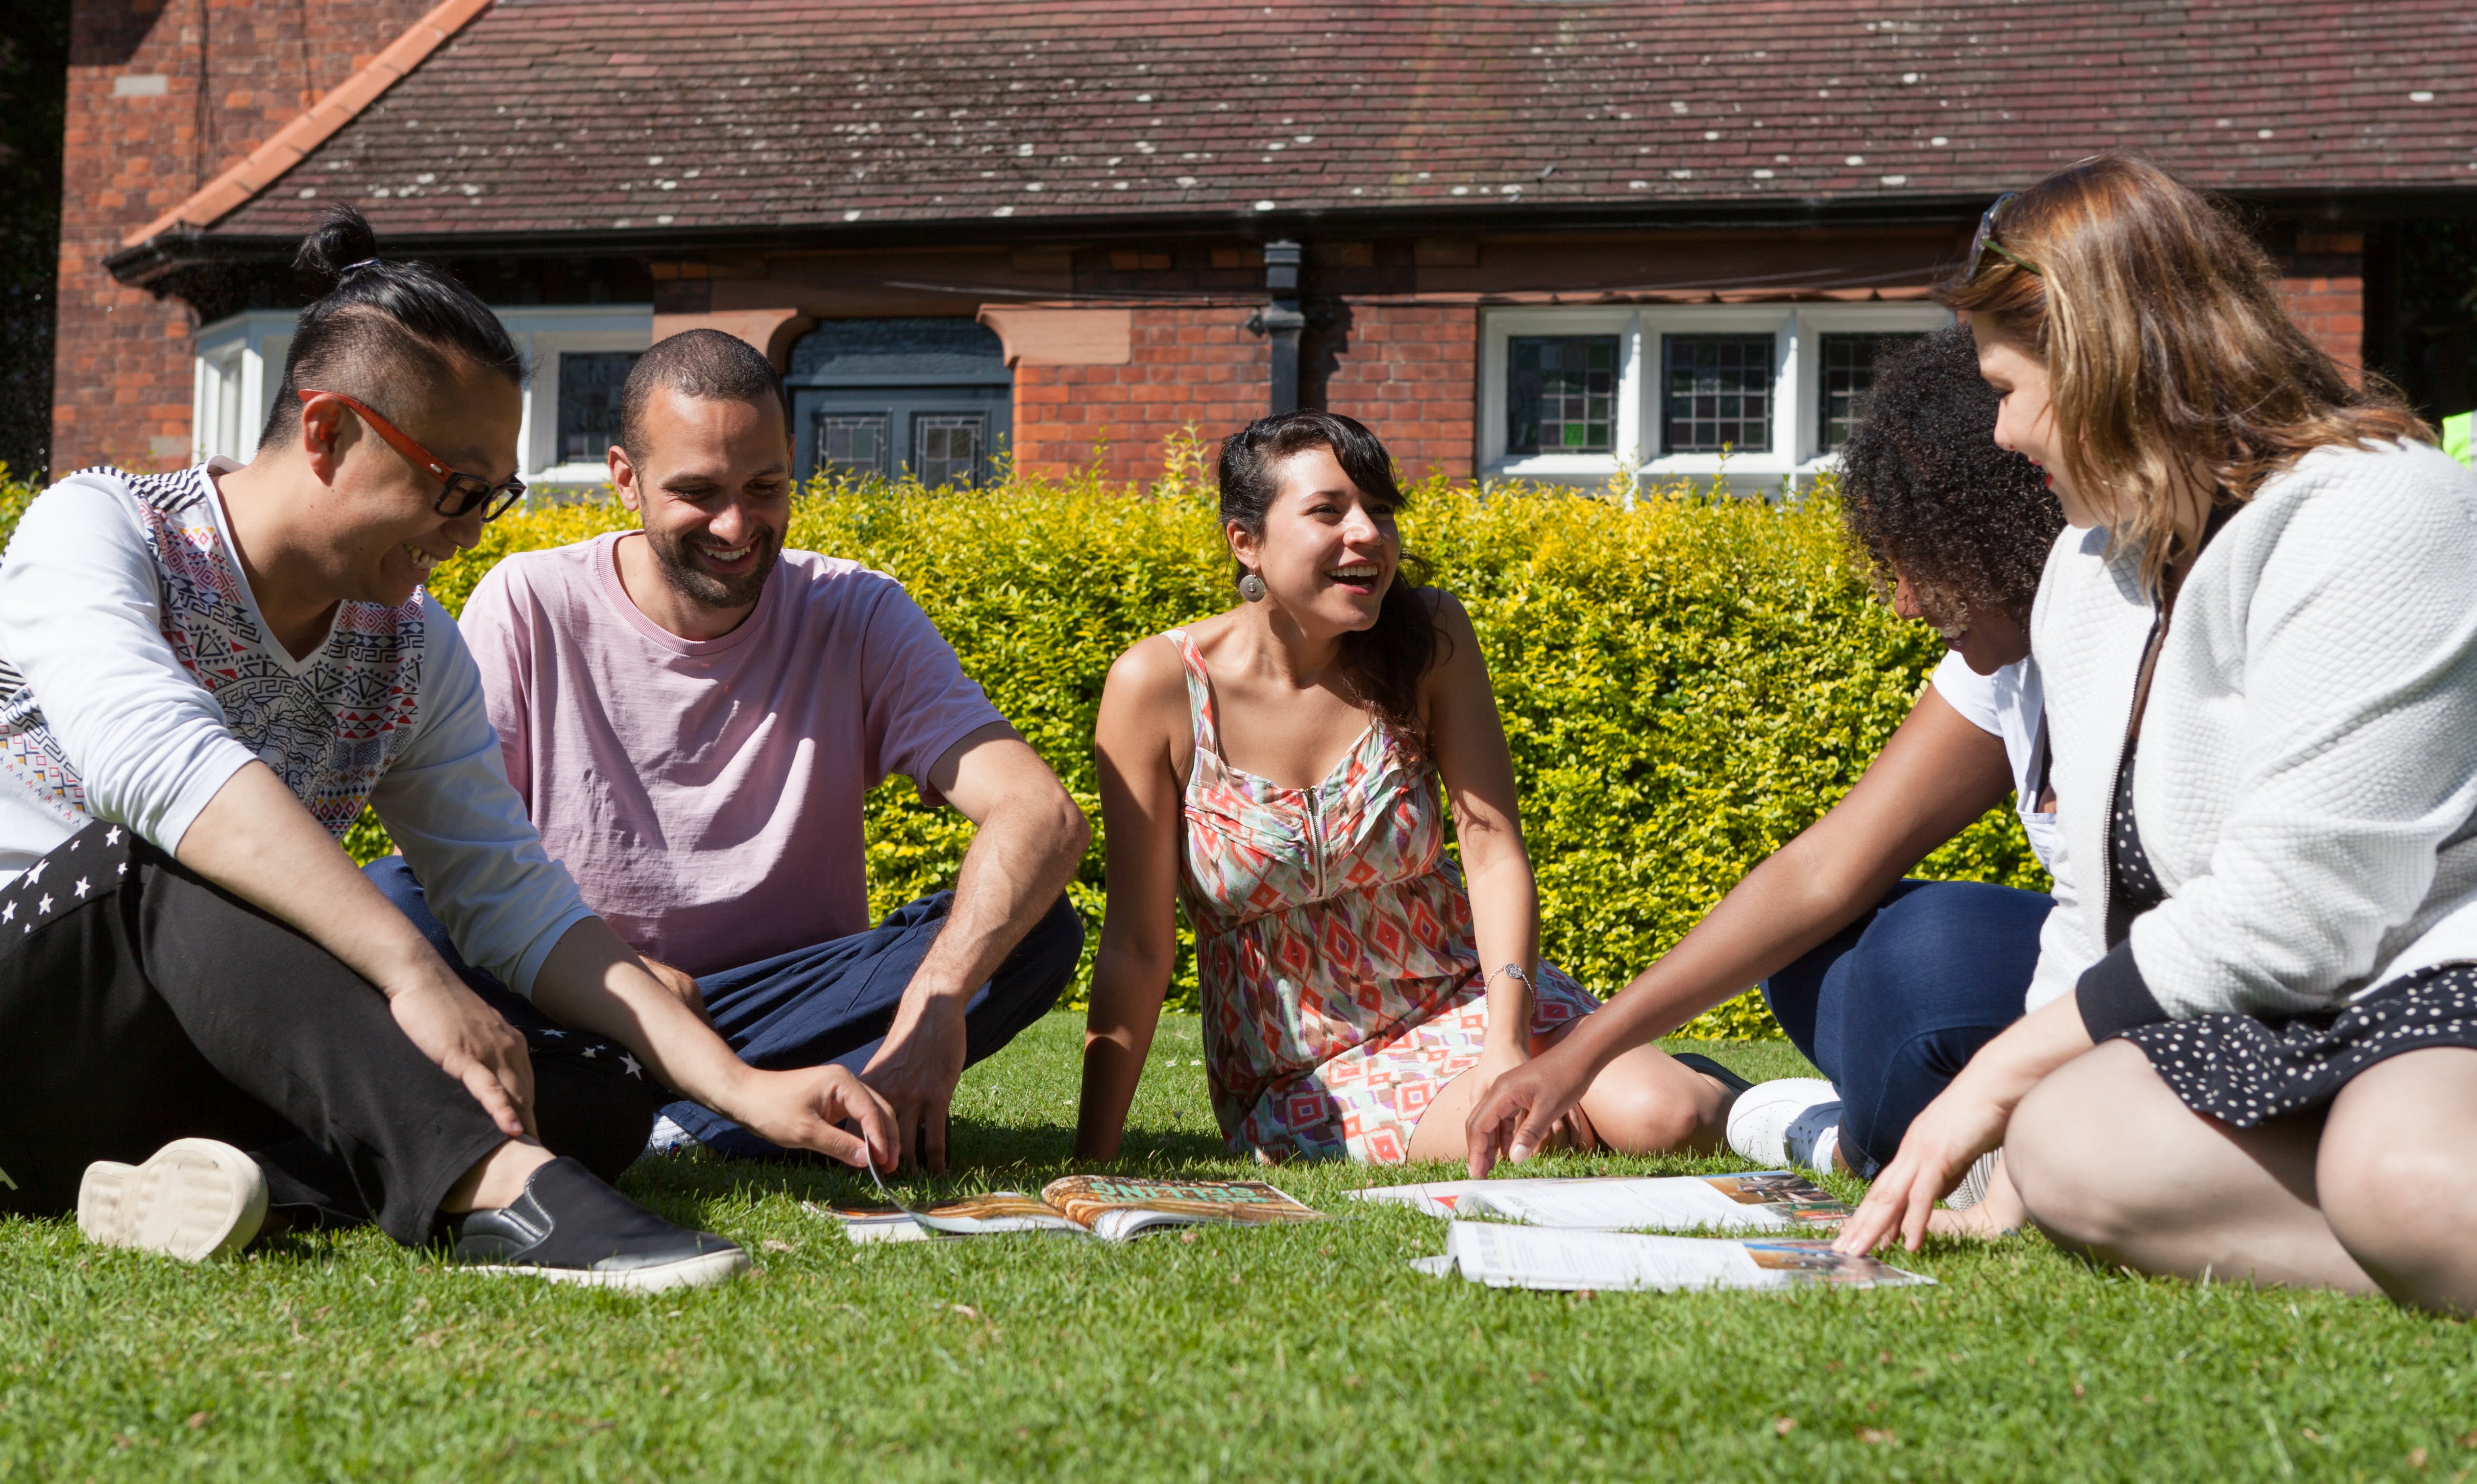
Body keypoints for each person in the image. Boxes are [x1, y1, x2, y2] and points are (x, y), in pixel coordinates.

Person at [0, 208, 894, 1285]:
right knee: (182, 847)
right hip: (35, 1002)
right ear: (329, 431)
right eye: (457, 487)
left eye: (495, 496)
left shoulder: (411, 644)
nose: (471, 528)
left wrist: (738, 1084)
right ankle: (500, 1197)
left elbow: (511, 895)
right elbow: (155, 760)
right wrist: (410, 968)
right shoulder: (101, 527)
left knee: (593, 1093)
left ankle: (191, 1182)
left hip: (175, 1061)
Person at [1837, 155, 2477, 1316]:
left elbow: (2309, 907)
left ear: (2104, 363)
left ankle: (2415, 1222)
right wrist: (2001, 1163)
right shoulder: (2087, 570)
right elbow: (2090, 906)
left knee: (2399, 1175)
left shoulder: (2383, 508)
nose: (1999, 431)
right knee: (2066, 1144)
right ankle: (2409, 1249)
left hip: (2427, 983)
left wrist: (1990, 1077)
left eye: (2007, 387)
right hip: (2267, 1020)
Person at [383, 328, 1089, 1172]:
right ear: (624, 480)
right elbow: (448, 856)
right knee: (395, 898)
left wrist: (938, 1001)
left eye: (764, 486)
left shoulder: (857, 610)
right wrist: (629, 970)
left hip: (780, 1005)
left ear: (793, 463)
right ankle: (705, 1114)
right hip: (589, 991)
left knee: (1036, 927)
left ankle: (669, 1126)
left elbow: (1039, 814)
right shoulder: (532, 599)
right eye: (698, 492)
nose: (736, 524)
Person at [1465, 326, 2065, 1214]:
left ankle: (1896, 1140)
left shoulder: (2115, 626)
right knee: (1814, 948)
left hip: (2145, 988)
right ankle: (1895, 1136)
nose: (1902, 605)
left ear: (1997, 532)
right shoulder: (1997, 666)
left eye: (1919, 563)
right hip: (2073, 997)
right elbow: (1821, 869)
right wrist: (1577, 1054)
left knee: (1919, 959)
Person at [1074, 411, 1740, 1167]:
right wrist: (1091, 1162)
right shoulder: (1158, 686)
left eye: (1380, 509)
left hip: (1472, 998)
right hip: (1307, 1065)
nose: (1368, 534)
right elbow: (1135, 944)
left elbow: (1491, 850)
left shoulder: (1428, 636)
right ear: (1245, 540)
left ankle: (1752, 1105)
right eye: (1329, 510)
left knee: (1671, 1115)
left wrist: (1506, 1042)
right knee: (1527, 1142)